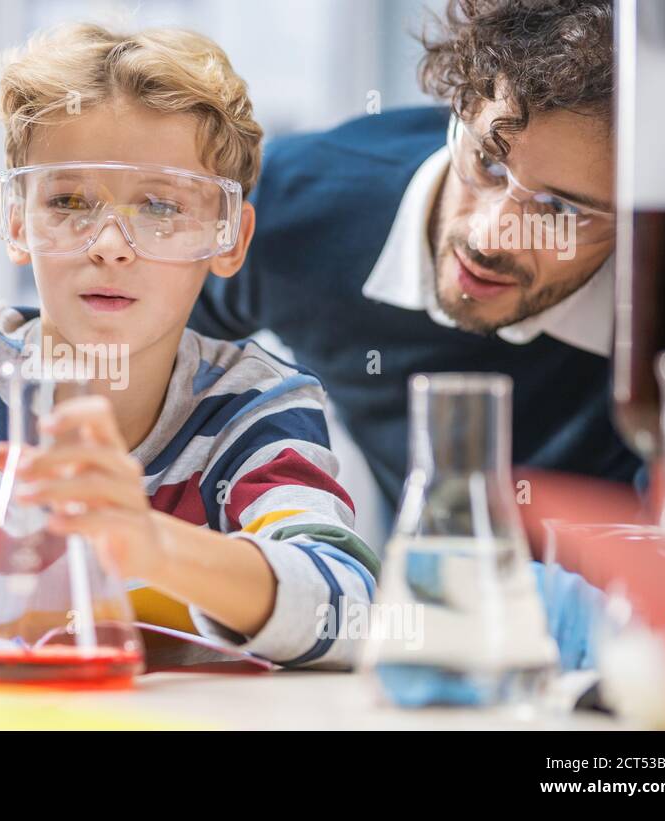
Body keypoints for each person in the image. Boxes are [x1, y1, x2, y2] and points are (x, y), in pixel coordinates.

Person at [0, 24, 378, 667]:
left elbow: (349, 611)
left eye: (160, 208)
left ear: (229, 239)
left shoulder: (253, 408)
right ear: (19, 220)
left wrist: (149, 542)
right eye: (69, 201)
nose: (109, 244)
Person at [192, 0, 640, 520]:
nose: (490, 238)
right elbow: (151, 380)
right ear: (462, 108)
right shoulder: (286, 210)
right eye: (489, 165)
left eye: (561, 209)